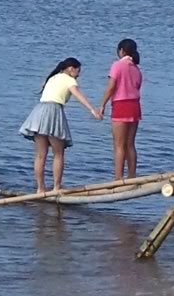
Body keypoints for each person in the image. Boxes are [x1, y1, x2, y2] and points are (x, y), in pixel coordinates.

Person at [19, 57, 102, 194]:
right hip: (54, 112)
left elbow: (44, 86)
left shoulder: (52, 77)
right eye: (78, 71)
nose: (78, 75)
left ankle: (40, 189)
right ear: (71, 69)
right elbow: (78, 95)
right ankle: (56, 187)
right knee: (58, 153)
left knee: (40, 155)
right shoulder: (69, 80)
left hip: (39, 112)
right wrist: (92, 110)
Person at [99, 39, 143, 180]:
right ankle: (132, 175)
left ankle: (118, 178)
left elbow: (111, 86)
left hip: (121, 105)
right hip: (135, 106)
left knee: (119, 145)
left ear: (121, 50)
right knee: (130, 144)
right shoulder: (136, 69)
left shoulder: (117, 66)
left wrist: (102, 104)